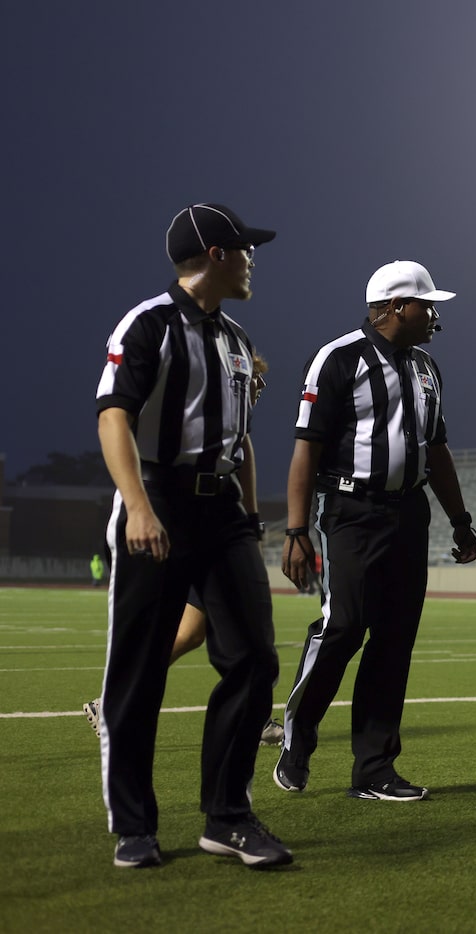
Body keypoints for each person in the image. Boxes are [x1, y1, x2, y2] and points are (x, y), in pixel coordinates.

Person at [94, 203, 288, 868]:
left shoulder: (236, 338)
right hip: (162, 504)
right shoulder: (148, 325)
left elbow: (241, 437)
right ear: (214, 254)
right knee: (139, 672)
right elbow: (113, 417)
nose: (252, 258)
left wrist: (254, 519)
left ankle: (227, 815)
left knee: (254, 659)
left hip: (224, 512)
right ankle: (134, 825)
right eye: (244, 248)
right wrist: (139, 507)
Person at [276, 260, 476, 803]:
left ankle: (374, 769)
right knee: (343, 627)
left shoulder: (428, 368)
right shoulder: (338, 358)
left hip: (409, 514)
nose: (434, 315)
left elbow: (436, 450)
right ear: (394, 307)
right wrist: (296, 530)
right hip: (351, 509)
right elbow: (306, 449)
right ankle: (297, 734)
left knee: (394, 643)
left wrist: (460, 519)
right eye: (426, 305)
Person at [86, 353, 284, 747]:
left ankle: (111, 700)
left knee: (200, 632)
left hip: (211, 530)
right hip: (176, 525)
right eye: (251, 382)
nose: (257, 390)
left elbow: (240, 467)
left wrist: (250, 524)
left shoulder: (231, 427)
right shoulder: (196, 418)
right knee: (220, 628)